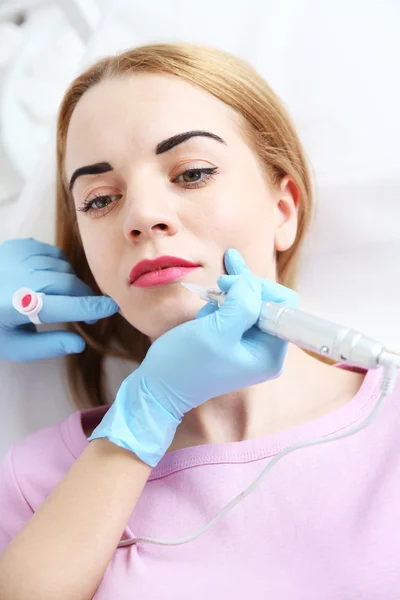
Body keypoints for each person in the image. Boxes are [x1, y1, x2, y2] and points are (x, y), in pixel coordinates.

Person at [0, 42, 397, 600]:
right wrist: (144, 414)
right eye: (99, 200)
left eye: (191, 173)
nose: (141, 215)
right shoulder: (36, 479)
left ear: (283, 210)